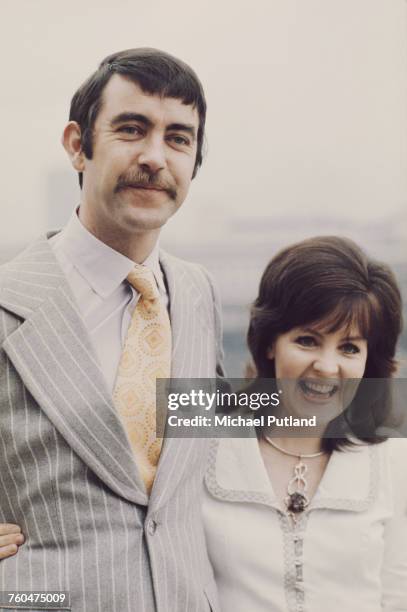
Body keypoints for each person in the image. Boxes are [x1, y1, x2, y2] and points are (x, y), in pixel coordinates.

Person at [0, 48, 223, 612]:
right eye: (131, 129)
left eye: (178, 138)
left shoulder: (198, 294)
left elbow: (206, 452)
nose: (155, 156)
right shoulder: (7, 301)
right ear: (78, 145)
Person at [203, 236, 407, 612]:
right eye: (308, 340)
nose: (327, 367)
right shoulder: (202, 449)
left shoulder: (395, 462)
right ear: (269, 343)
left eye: (349, 348)